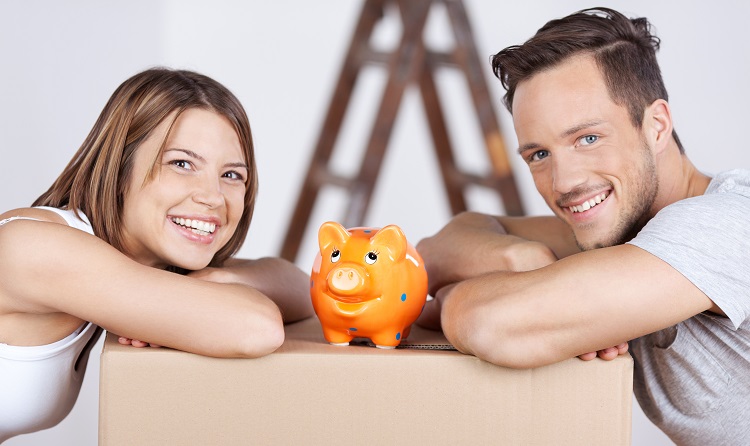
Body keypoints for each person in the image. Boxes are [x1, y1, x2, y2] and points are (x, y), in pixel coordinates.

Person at [416, 7, 749, 445]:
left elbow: (489, 323)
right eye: (539, 155)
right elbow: (434, 251)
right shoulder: (623, 227)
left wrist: (454, 299)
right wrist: (522, 259)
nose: (565, 183)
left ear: (656, 126)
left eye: (587, 139)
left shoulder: (726, 225)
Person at [0, 67, 314, 442]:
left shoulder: (134, 259)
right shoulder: (35, 248)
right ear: (119, 169)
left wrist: (221, 277)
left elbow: (303, 290)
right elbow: (256, 328)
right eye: (181, 164)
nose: (213, 196)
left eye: (232, 175)